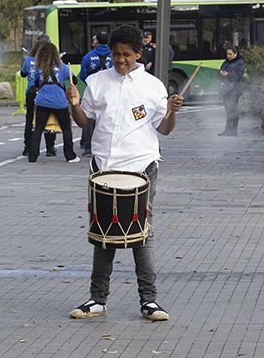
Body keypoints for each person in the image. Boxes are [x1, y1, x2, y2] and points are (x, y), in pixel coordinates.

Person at [66, 25, 184, 321]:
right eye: (116, 54)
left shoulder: (153, 86)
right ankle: (97, 299)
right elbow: (84, 122)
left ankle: (149, 301)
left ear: (139, 54)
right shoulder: (96, 82)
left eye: (127, 55)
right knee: (102, 232)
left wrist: (173, 112)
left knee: (142, 232)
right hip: (104, 166)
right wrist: (74, 105)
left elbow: (165, 129)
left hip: (142, 167)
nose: (120, 60)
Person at [28, 41, 78, 162]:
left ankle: (32, 156)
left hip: (42, 100)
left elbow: (35, 83)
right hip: (59, 101)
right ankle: (70, 155)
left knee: (39, 128)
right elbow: (74, 80)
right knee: (66, 128)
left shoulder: (38, 68)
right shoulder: (63, 67)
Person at [20, 38, 56, 157]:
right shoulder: (49, 61)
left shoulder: (28, 60)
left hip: (31, 92)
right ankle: (50, 147)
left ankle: (28, 147)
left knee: (30, 119)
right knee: (49, 118)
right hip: (45, 91)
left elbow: (23, 73)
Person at [79, 33, 113, 156]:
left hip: (94, 91)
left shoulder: (88, 57)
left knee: (89, 118)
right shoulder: (113, 55)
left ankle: (88, 146)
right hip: (110, 90)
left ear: (96, 41)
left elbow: (82, 75)